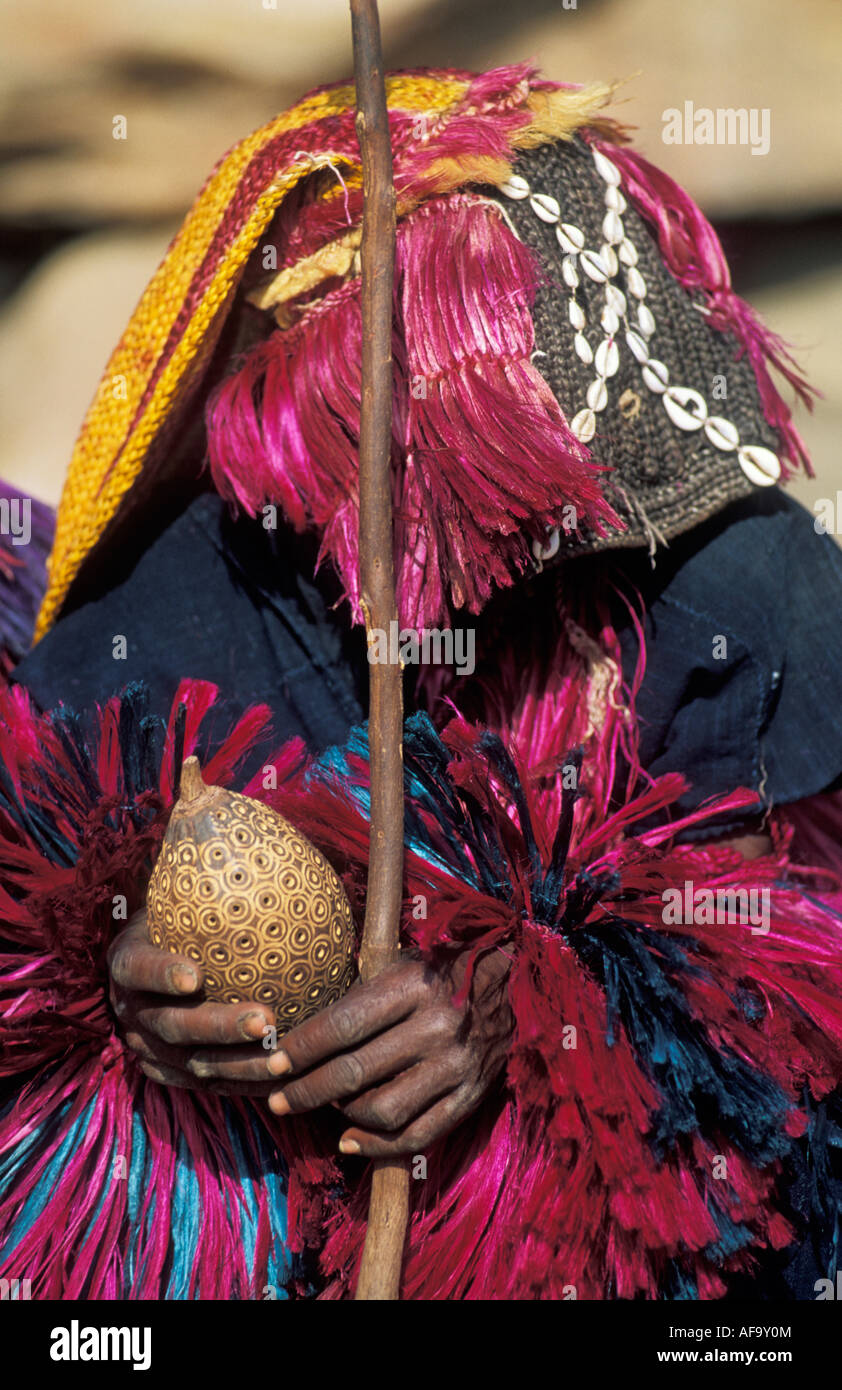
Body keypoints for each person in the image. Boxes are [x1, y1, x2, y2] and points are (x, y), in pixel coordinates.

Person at [3, 63, 842, 1302]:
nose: (495, 569)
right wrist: (114, 979)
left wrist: (550, 1000)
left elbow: (789, 992)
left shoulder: (732, 587)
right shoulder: (193, 600)